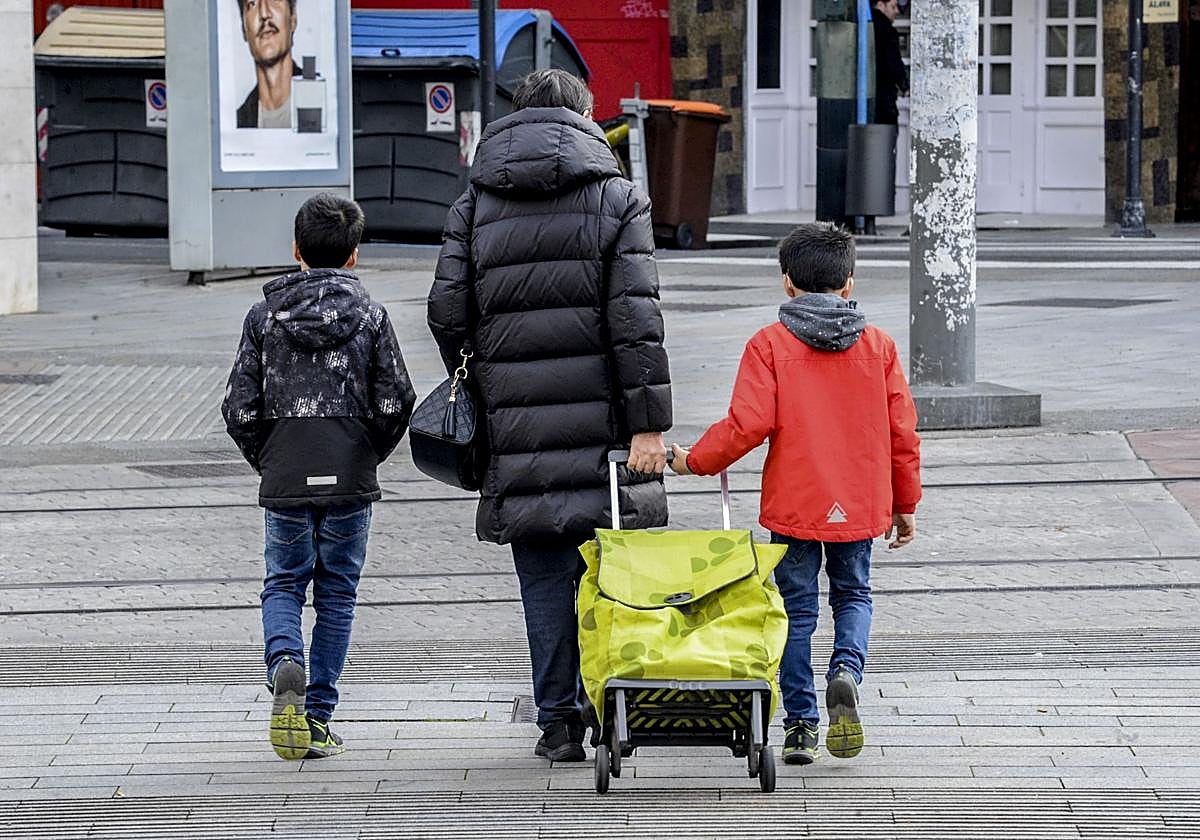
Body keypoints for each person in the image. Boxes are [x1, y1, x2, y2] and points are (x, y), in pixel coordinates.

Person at [428, 69, 672, 763]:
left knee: (542, 578)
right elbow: (637, 324)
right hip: (602, 429)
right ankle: (608, 705)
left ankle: (557, 723)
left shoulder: (474, 203)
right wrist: (647, 425)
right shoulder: (618, 197)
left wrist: (481, 369)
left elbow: (445, 312)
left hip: (516, 425)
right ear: (586, 117)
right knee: (609, 570)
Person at [669, 223, 920, 766]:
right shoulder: (878, 347)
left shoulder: (770, 345)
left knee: (794, 611)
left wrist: (693, 460)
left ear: (787, 283)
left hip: (795, 504)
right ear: (848, 283)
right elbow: (903, 432)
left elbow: (746, 424)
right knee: (854, 594)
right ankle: (847, 673)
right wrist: (906, 503)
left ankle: (801, 726)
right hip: (861, 502)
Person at [222, 193, 416, 760]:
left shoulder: (264, 317)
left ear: (295, 249)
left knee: (284, 582)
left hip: (286, 467)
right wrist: (367, 451)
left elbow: (238, 407)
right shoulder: (373, 316)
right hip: (350, 472)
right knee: (338, 594)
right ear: (354, 255)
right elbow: (397, 399)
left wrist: (270, 455)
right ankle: (317, 717)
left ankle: (285, 661)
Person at [236, 0, 301, 129]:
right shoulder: (240, 122)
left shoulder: (322, 99)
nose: (264, 13)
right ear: (244, 29)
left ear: (292, 19)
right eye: (252, 4)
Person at [872, 0, 909, 127]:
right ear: (881, 5)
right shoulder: (887, 31)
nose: (897, 11)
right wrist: (905, 85)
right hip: (884, 101)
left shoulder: (863, 27)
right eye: (893, 7)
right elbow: (894, 63)